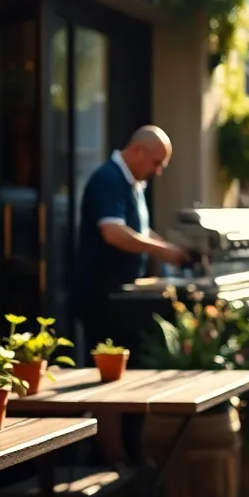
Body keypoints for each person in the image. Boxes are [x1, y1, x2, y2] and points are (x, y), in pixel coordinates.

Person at [72, 125, 189, 355]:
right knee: (107, 366)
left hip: (118, 297)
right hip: (102, 298)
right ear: (137, 151)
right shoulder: (109, 179)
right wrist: (164, 251)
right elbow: (113, 232)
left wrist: (171, 248)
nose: (158, 172)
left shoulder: (133, 183)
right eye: (156, 163)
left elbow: (140, 231)